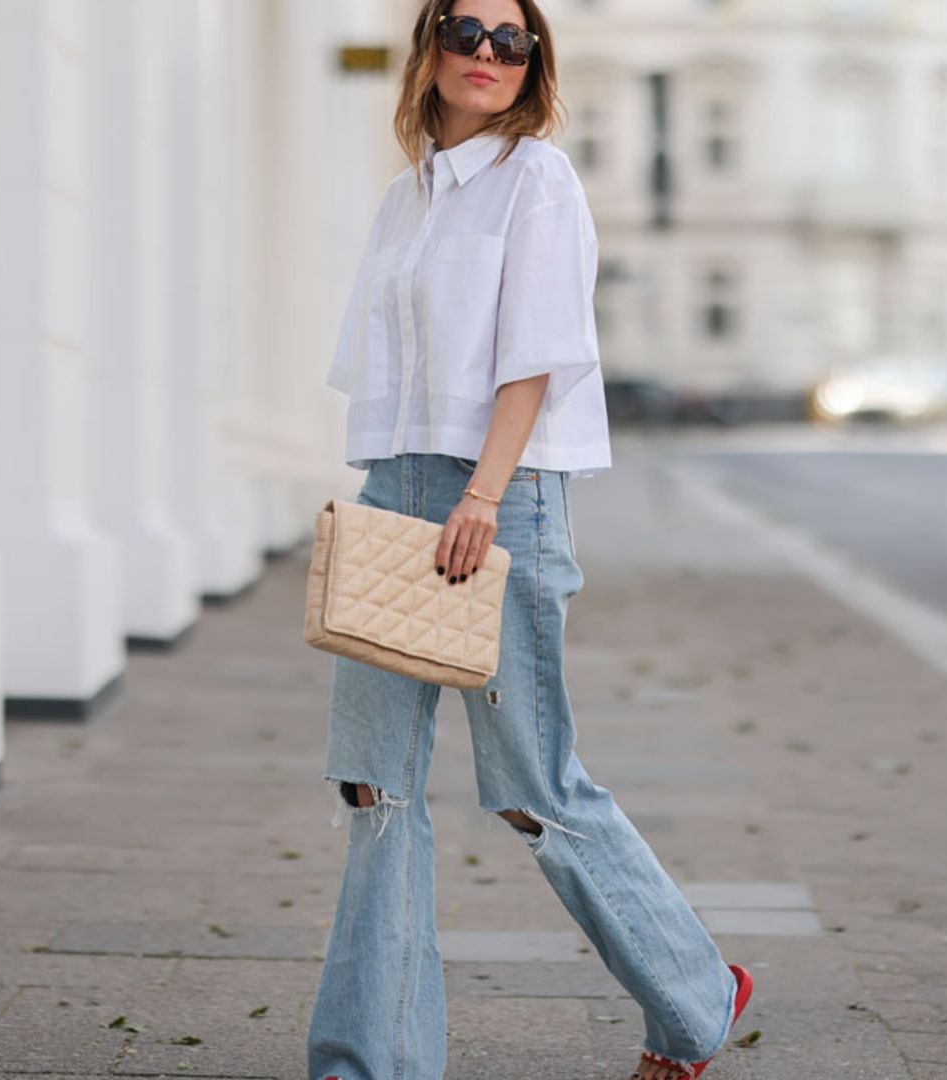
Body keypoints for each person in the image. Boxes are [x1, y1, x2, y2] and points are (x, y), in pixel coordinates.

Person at [308, 2, 753, 1078]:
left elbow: (536, 356)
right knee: (374, 785)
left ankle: (695, 995)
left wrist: (481, 497)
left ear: (536, 62)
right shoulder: (402, 200)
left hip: (495, 499)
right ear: (430, 49)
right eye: (470, 32)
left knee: (529, 786)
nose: (492, 57)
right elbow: (383, 373)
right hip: (395, 489)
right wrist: (388, 501)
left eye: (516, 41)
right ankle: (372, 1062)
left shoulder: (536, 182)